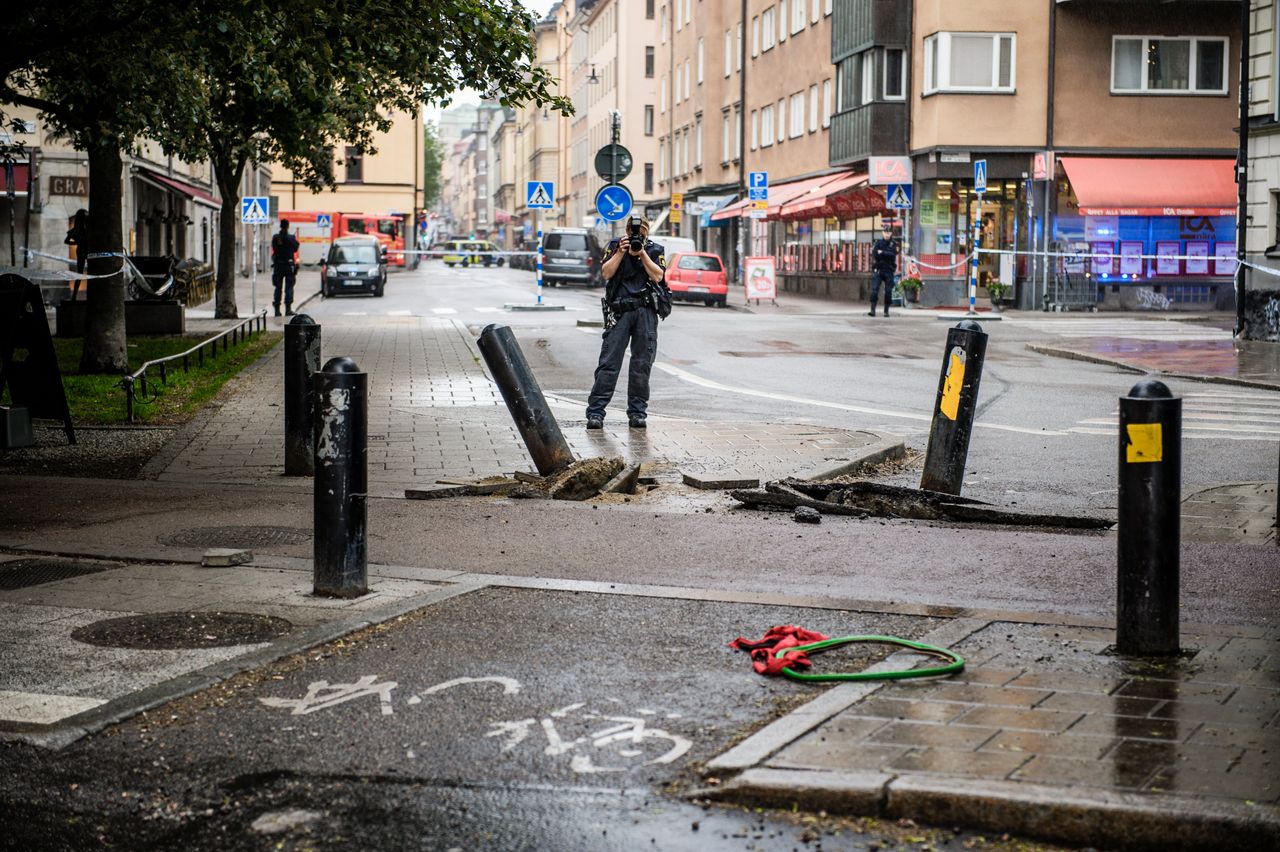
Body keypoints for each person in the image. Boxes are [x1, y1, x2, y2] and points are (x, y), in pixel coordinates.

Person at [586, 215, 667, 430]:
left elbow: (658, 277)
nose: (635, 237)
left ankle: (638, 413)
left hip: (645, 312)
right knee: (609, 363)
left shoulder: (654, 249)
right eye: (633, 233)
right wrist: (621, 252)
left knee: (642, 365)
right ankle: (596, 413)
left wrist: (642, 254)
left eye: (639, 234)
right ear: (627, 231)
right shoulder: (615, 246)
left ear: (646, 232)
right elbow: (606, 273)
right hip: (620, 311)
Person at [271, 219, 300, 316]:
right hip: (288, 265)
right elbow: (296, 248)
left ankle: (277, 310)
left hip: (278, 265)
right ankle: (288, 309)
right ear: (287, 226)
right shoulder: (291, 238)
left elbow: (274, 248)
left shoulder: (276, 237)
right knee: (289, 288)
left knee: (278, 288)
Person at [868, 224, 899, 317]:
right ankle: (872, 310)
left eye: (888, 232)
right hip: (879, 269)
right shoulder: (878, 243)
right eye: (885, 232)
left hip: (889, 270)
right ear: (882, 233)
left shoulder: (893, 244)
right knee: (874, 290)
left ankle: (886, 311)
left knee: (888, 291)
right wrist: (884, 253)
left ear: (891, 233)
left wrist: (883, 252)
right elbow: (875, 254)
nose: (887, 234)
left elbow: (893, 255)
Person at [64, 209, 88, 274]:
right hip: (82, 250)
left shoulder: (76, 230)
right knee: (80, 272)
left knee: (80, 271)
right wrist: (76, 243)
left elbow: (66, 241)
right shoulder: (75, 231)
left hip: (85, 250)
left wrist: (76, 243)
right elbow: (66, 241)